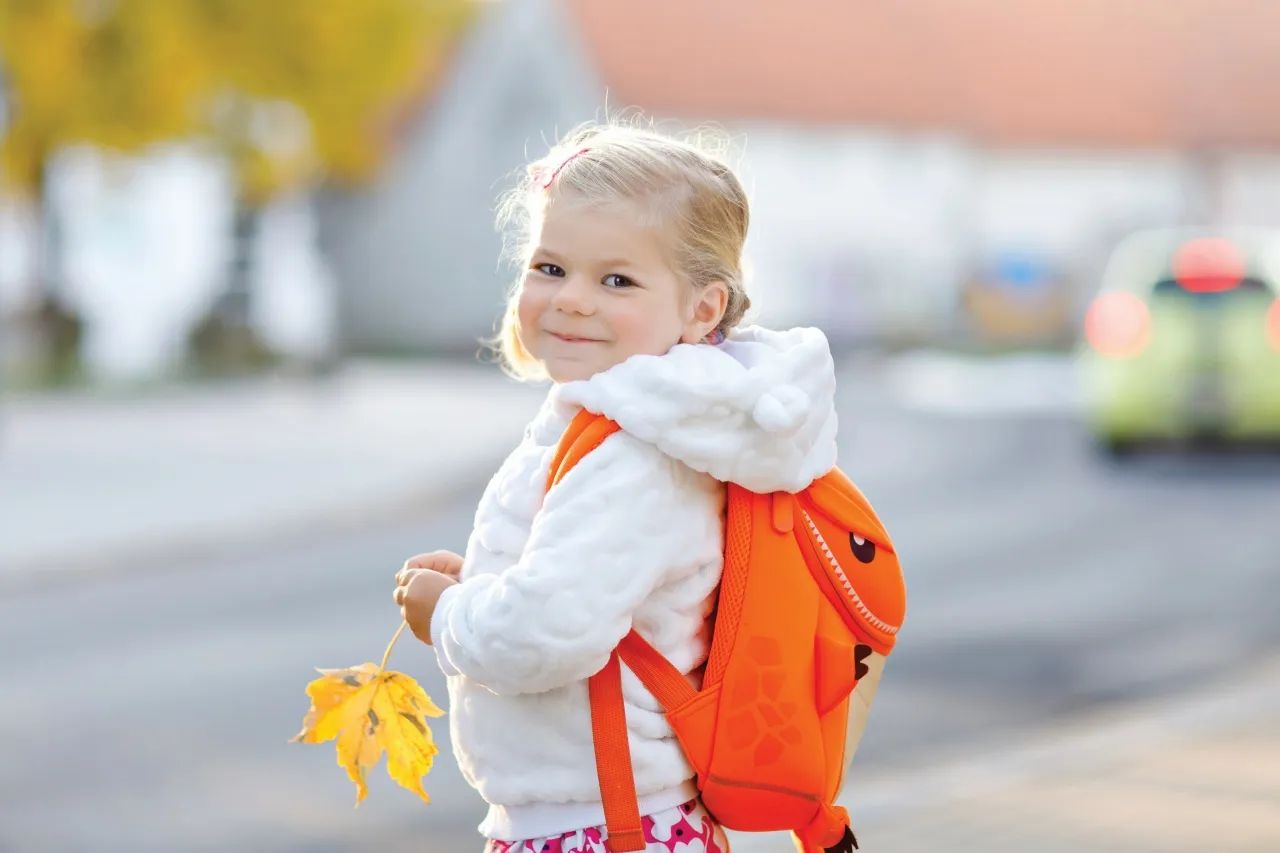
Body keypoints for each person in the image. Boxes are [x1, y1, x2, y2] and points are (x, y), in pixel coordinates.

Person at [392, 117, 839, 853]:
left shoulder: (637, 457)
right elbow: (596, 599)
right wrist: (485, 583)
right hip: (609, 817)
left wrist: (448, 616)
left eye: (617, 279)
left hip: (602, 828)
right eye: (550, 267)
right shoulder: (630, 426)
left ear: (703, 309)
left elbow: (544, 636)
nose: (571, 298)